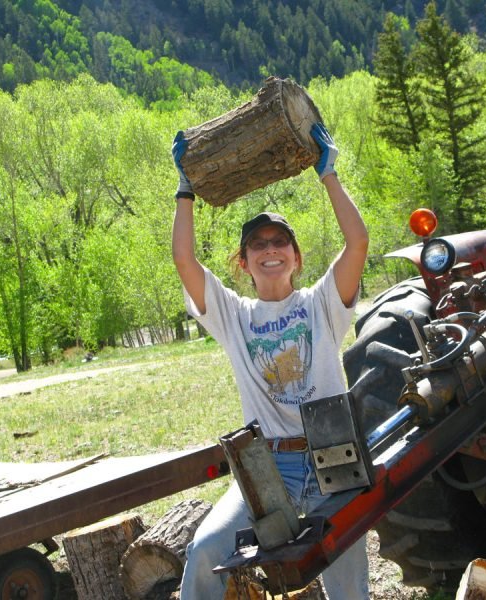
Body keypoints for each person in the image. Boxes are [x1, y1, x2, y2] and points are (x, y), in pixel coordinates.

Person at [171, 123, 370, 599]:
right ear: (243, 263)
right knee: (205, 552)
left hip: (331, 460)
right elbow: (183, 259)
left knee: (348, 585)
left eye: (279, 241)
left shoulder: (322, 304)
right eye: (258, 244)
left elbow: (357, 242)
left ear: (297, 257)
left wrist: (329, 174)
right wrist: (184, 190)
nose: (270, 250)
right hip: (267, 469)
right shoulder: (233, 316)